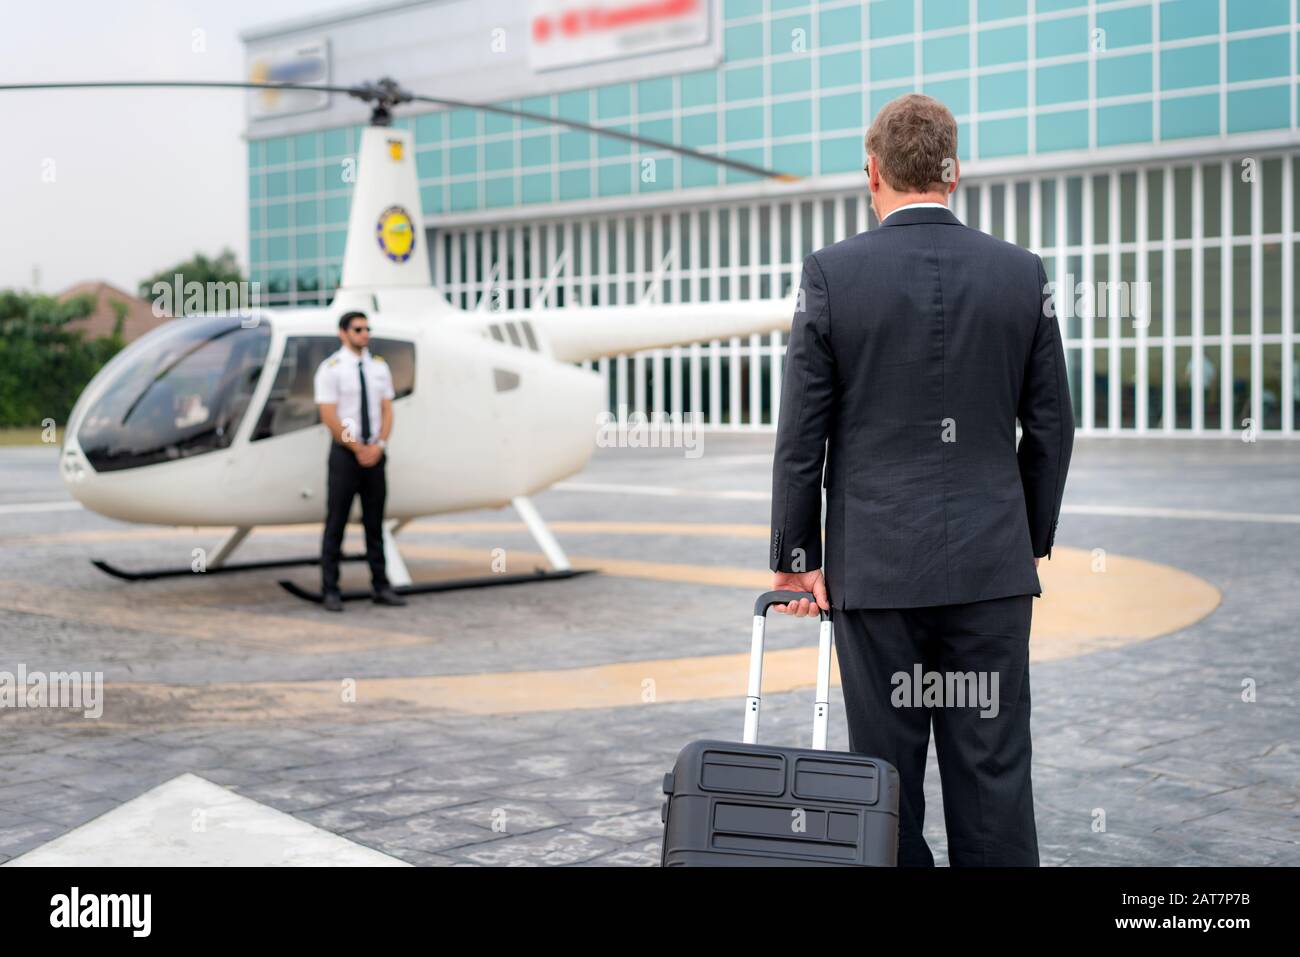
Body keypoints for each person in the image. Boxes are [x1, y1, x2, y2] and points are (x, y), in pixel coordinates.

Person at [768, 93, 1074, 867]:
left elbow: (802, 432)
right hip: (990, 572)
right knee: (994, 774)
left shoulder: (832, 275)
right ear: (954, 171)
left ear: (871, 172)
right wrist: (1027, 538)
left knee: (884, 777)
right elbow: (1052, 427)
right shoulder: (1020, 273)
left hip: (877, 574)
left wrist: (797, 555)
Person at [314, 311, 407, 611]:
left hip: (375, 453)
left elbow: (387, 409)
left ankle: (381, 585)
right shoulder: (331, 369)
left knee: (375, 523)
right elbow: (329, 415)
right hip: (345, 455)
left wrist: (378, 444)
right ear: (343, 333)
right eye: (358, 329)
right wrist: (356, 447)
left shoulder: (379, 368)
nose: (364, 334)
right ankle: (330, 589)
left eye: (367, 329)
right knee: (336, 522)